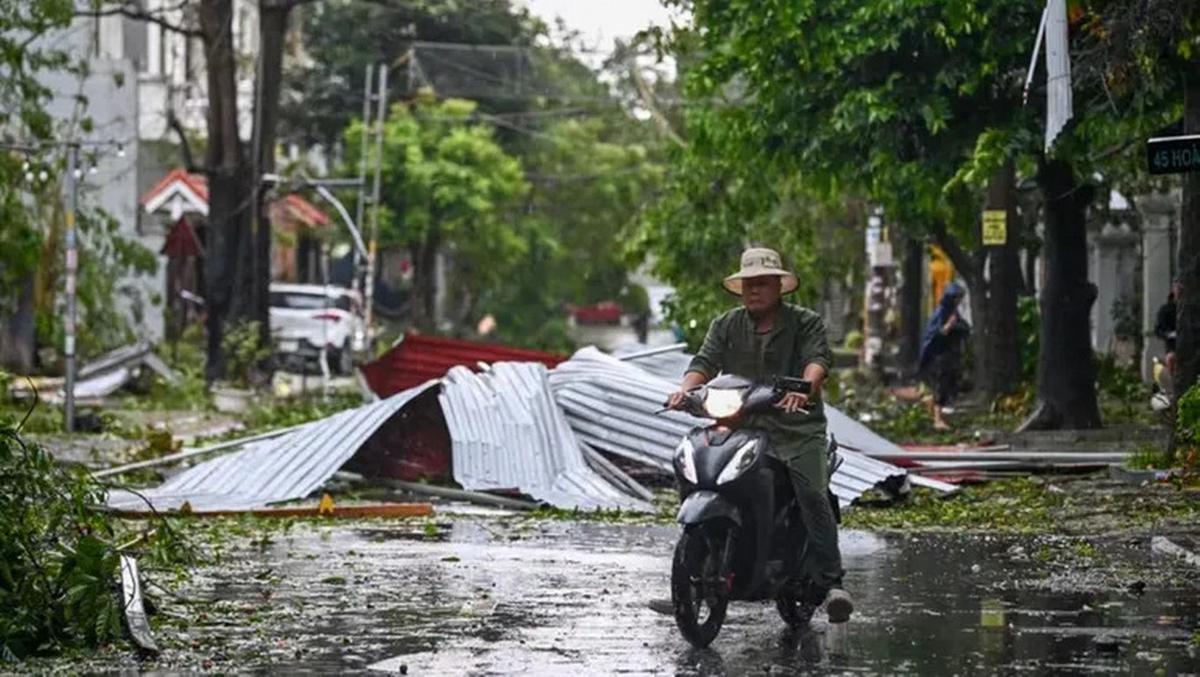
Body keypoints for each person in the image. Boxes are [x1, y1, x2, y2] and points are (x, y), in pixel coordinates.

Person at [667, 247, 853, 624]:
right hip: (742, 424)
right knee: (699, 469)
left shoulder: (805, 323)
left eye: (762, 283)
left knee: (811, 492)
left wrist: (806, 386)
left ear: (779, 287)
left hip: (796, 428)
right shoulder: (726, 324)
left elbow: (818, 360)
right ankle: (695, 570)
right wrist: (685, 390)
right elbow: (703, 362)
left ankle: (832, 581)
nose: (754, 290)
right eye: (749, 284)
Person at [917, 282, 970, 431]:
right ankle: (937, 419)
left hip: (951, 355)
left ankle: (941, 416)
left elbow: (963, 328)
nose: (959, 301)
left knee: (949, 386)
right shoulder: (941, 312)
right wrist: (948, 326)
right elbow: (935, 335)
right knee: (940, 386)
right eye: (956, 298)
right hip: (939, 356)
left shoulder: (954, 313)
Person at [1155, 280, 1181, 379]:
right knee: (1171, 358)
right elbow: (1158, 330)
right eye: (1177, 287)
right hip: (1174, 346)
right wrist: (1170, 334)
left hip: (1193, 345)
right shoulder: (1166, 309)